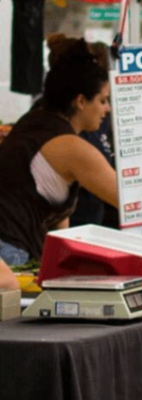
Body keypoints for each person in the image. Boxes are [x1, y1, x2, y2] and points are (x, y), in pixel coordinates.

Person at [0, 40, 118, 265]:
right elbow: (131, 200)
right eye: (103, 100)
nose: (107, 108)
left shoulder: (34, 119)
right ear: (80, 101)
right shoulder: (72, 148)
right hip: (9, 250)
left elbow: (59, 220)